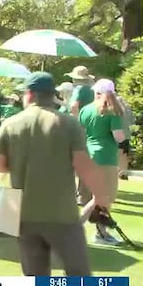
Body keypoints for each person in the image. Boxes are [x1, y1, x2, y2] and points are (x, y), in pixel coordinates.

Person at [0, 72, 110, 286]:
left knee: (37, 281)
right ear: (51, 95)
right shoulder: (67, 123)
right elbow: (83, 165)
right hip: (62, 215)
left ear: (29, 95)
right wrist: (100, 197)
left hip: (24, 215)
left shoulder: (11, 124)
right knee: (79, 277)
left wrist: (26, 165)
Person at [78, 79, 127, 246]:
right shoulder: (112, 111)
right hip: (105, 157)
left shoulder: (85, 110)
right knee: (104, 197)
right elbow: (118, 137)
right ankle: (87, 230)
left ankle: (100, 232)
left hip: (90, 155)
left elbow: (82, 134)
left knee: (98, 197)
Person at [65, 65, 96, 205]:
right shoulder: (91, 90)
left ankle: (75, 194)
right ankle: (84, 195)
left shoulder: (79, 89)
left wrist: (76, 120)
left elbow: (73, 106)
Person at [117, 95, 135, 180]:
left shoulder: (114, 109)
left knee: (118, 153)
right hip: (126, 134)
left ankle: (117, 172)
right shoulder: (127, 109)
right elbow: (132, 121)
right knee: (124, 154)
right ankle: (123, 172)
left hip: (117, 134)